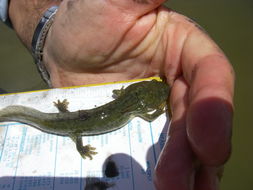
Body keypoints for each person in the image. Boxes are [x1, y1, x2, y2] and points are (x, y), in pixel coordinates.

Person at [1, 0, 234, 189]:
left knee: (75, 121)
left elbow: (122, 93)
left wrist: (48, 34)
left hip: (77, 118)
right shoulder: (138, 109)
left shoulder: (125, 98)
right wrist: (160, 110)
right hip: (76, 126)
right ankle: (75, 138)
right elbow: (149, 116)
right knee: (75, 126)